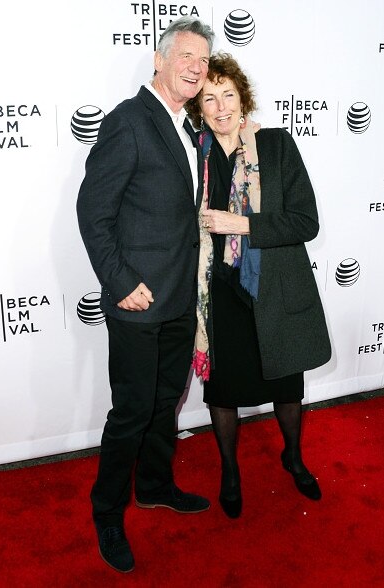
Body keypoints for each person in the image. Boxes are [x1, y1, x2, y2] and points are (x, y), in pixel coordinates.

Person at [77, 17, 215, 573]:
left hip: (180, 297)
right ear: (158, 60)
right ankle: (107, 512)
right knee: (132, 411)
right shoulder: (128, 121)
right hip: (137, 301)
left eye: (203, 60)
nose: (195, 67)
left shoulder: (188, 127)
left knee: (165, 403)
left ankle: (155, 484)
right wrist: (119, 283)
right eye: (185, 55)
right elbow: (94, 213)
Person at [185, 53, 331, 519]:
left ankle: (293, 457)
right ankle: (230, 470)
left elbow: (305, 221)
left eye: (228, 94)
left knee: (288, 387)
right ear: (199, 108)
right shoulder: (196, 156)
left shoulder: (276, 145)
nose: (221, 106)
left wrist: (241, 224)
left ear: (242, 99)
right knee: (224, 392)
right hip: (222, 294)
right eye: (210, 98)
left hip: (275, 291)